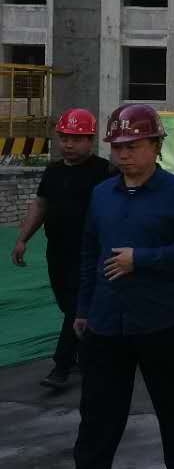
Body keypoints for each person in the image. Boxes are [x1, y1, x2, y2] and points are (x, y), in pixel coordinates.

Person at [36, 105, 174, 469]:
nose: (124, 155)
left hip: (159, 318)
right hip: (106, 321)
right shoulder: (102, 194)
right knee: (98, 416)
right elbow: (89, 252)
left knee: (172, 400)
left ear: (155, 146)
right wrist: (82, 309)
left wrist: (142, 259)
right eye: (117, 147)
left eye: (133, 146)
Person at [12, 108, 113, 391]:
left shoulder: (104, 172)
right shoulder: (53, 171)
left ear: (90, 140)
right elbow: (41, 204)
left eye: (76, 139)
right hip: (57, 251)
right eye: (64, 138)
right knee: (67, 304)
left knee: (77, 306)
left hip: (89, 253)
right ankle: (85, 351)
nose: (68, 144)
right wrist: (23, 239)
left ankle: (62, 365)